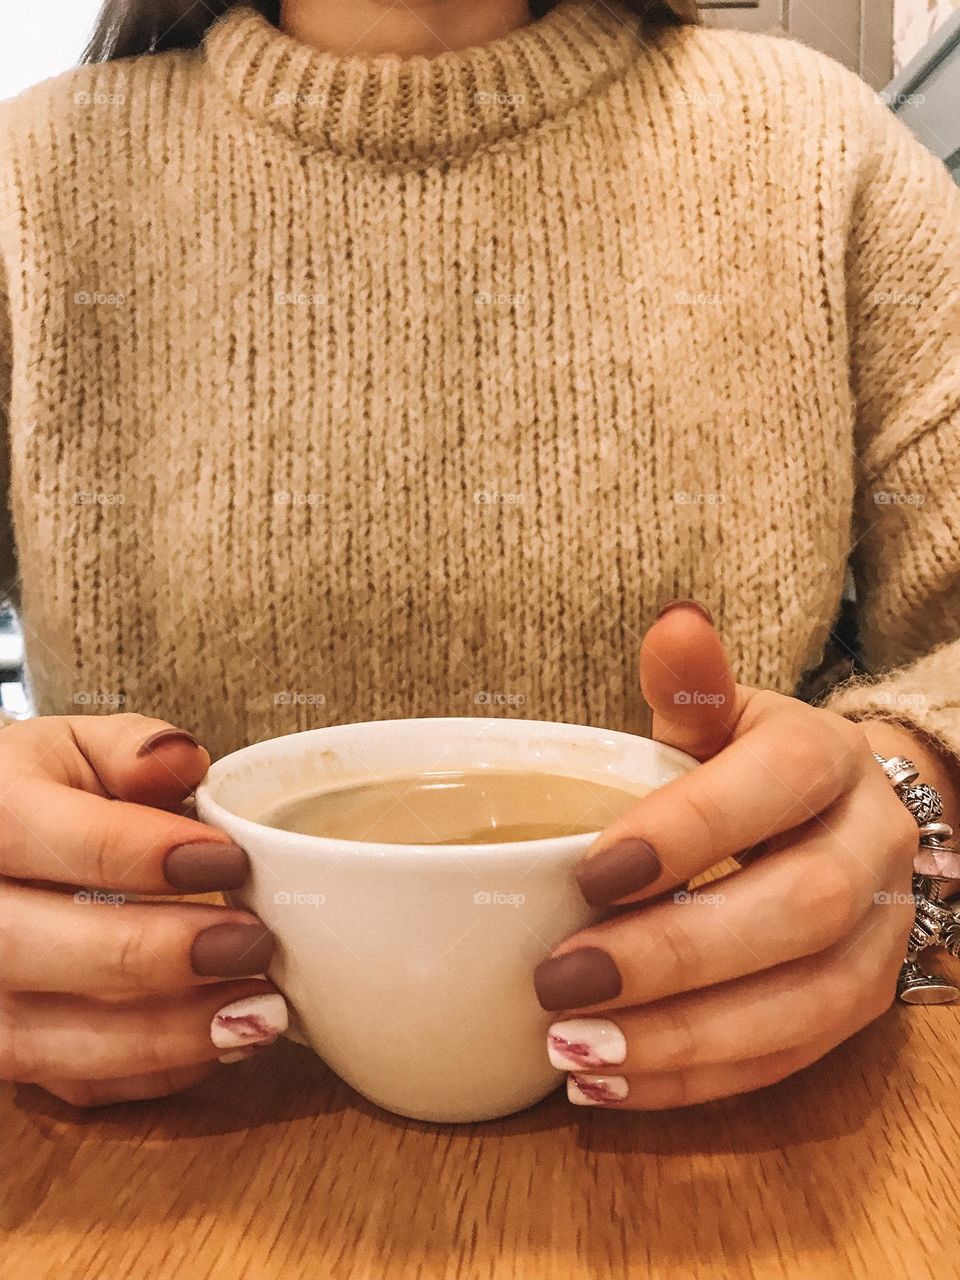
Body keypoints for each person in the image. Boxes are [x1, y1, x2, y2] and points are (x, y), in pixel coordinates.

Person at [0, 0, 958, 1109]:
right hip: (154, 1158)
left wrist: (910, 800)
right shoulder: (30, 189)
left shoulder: (823, 157)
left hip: (742, 1137)